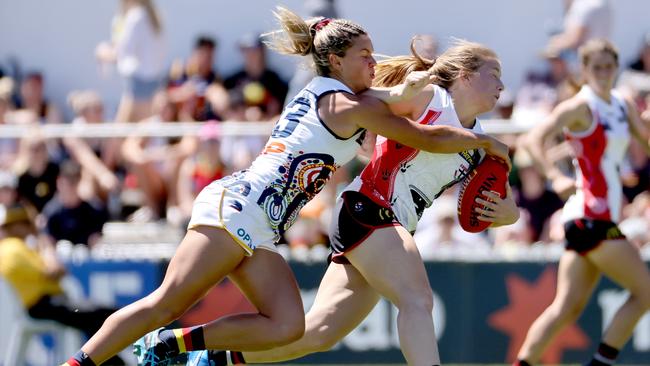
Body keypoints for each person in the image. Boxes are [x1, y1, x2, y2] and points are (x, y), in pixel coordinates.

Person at [61, 7, 509, 366]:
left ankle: (176, 347)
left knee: (291, 328)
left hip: (260, 225)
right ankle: (81, 363)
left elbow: (385, 103)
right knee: (165, 302)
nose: (374, 62)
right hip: (238, 207)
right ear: (336, 60)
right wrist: (488, 140)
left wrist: (404, 96)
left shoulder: (337, 95)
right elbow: (423, 135)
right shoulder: (343, 102)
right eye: (365, 55)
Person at [184, 38, 519, 366]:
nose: (502, 84)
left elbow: (502, 207)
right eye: (495, 72)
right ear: (466, 74)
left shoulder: (481, 145)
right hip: (367, 208)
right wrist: (395, 98)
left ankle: (214, 359)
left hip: (390, 226)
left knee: (320, 333)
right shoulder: (432, 101)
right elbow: (357, 100)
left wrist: (506, 215)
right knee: (417, 299)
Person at [514, 39, 650, 366]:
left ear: (616, 68)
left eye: (609, 66)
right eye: (597, 67)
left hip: (596, 217)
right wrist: (555, 177)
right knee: (646, 292)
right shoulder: (580, 106)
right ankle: (601, 363)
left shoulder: (622, 103)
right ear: (584, 70)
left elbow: (645, 142)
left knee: (567, 307)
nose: (604, 73)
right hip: (590, 214)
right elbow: (531, 140)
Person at [0, 204, 125, 365]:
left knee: (93, 317)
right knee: (102, 315)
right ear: (16, 226)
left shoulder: (13, 248)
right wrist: (45, 243)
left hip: (44, 304)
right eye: (25, 223)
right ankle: (112, 362)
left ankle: (110, 361)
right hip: (44, 305)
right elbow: (54, 271)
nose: (29, 227)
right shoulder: (13, 248)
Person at [95, 0, 166, 124]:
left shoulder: (136, 17)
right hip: (152, 84)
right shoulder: (150, 16)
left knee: (120, 135)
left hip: (140, 85)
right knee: (139, 135)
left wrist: (102, 52)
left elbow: (123, 53)